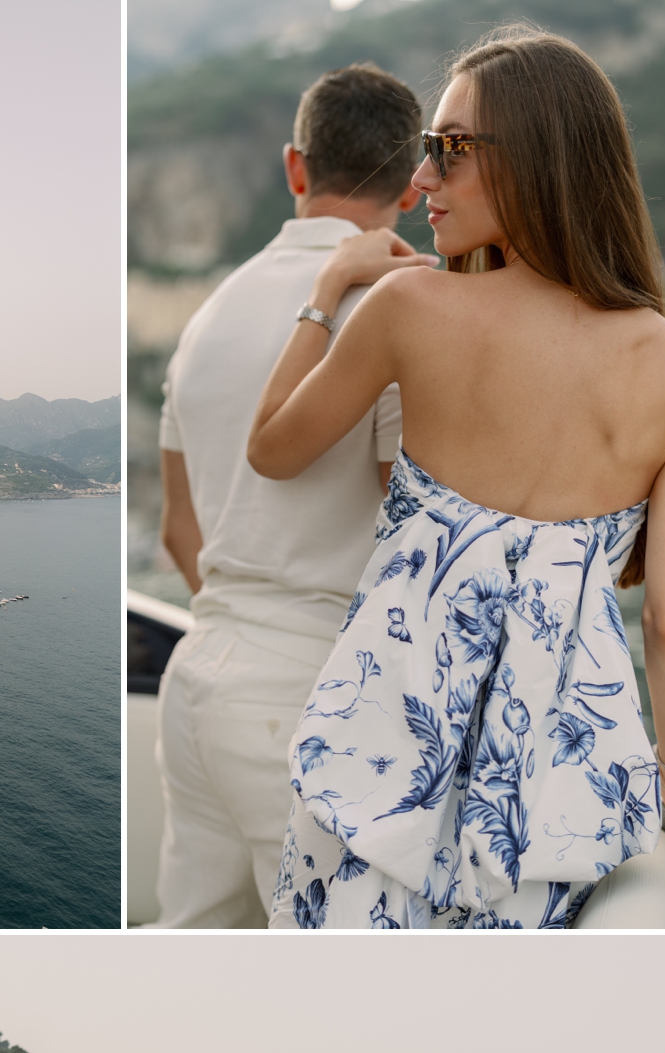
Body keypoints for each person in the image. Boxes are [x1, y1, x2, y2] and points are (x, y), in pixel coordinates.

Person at [249, 29, 665, 929]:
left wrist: (326, 291)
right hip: (549, 809)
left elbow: (272, 448)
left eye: (448, 150)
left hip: (370, 767)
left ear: (541, 160)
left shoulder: (408, 309)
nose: (421, 179)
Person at [151, 62, 438, 928]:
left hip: (198, 681)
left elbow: (176, 532)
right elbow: (411, 539)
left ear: (294, 168)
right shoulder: (400, 304)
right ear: (415, 188)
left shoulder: (208, 317)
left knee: (195, 948)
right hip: (313, 692)